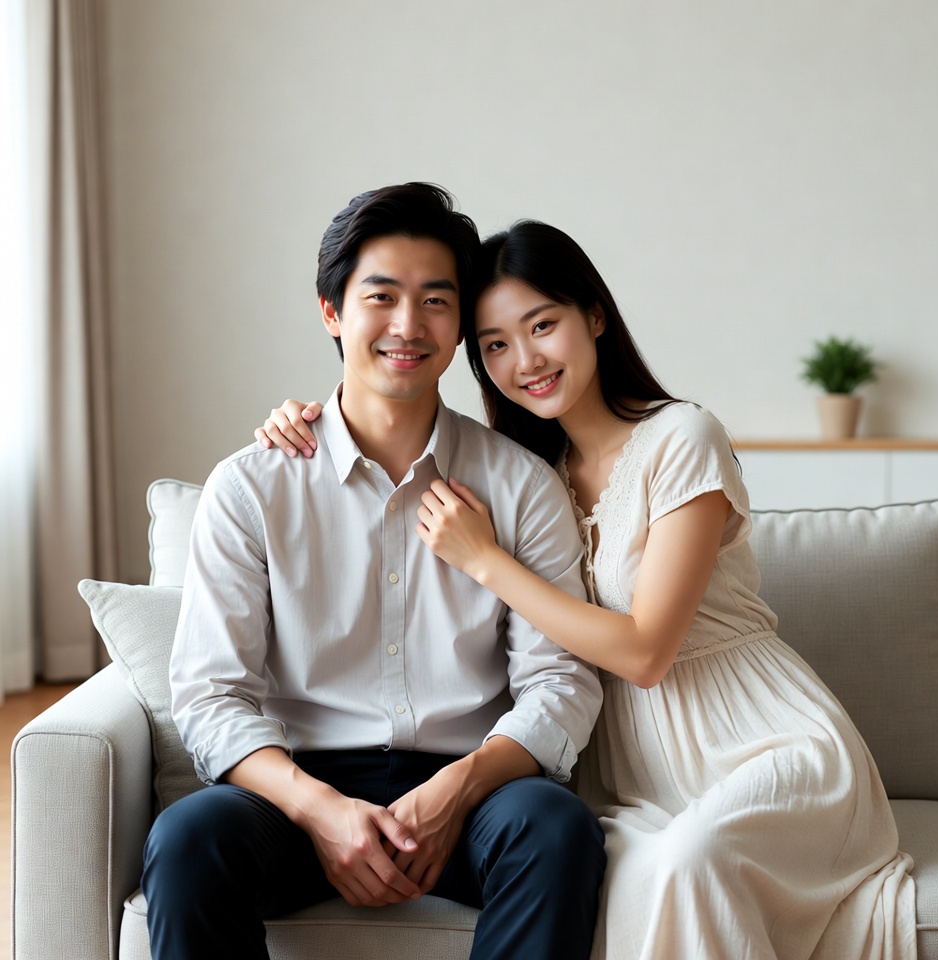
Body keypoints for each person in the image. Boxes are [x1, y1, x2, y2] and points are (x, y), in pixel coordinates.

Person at [258, 219, 917, 959]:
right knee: (613, 868)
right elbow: (385, 425)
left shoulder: (683, 440)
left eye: (543, 326)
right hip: (632, 770)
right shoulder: (528, 475)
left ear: (594, 317)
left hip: (754, 740)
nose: (526, 360)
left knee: (687, 865)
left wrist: (486, 563)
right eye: (497, 345)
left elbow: (644, 653)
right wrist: (304, 416)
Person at [144, 186, 606, 960]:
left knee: (556, 830)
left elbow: (562, 681)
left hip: (474, 786)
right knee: (190, 836)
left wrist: (456, 794)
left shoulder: (522, 484)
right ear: (332, 311)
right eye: (381, 297)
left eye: (435, 300)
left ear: (459, 326)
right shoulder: (252, 484)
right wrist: (320, 809)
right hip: (295, 791)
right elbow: (209, 691)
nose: (407, 325)